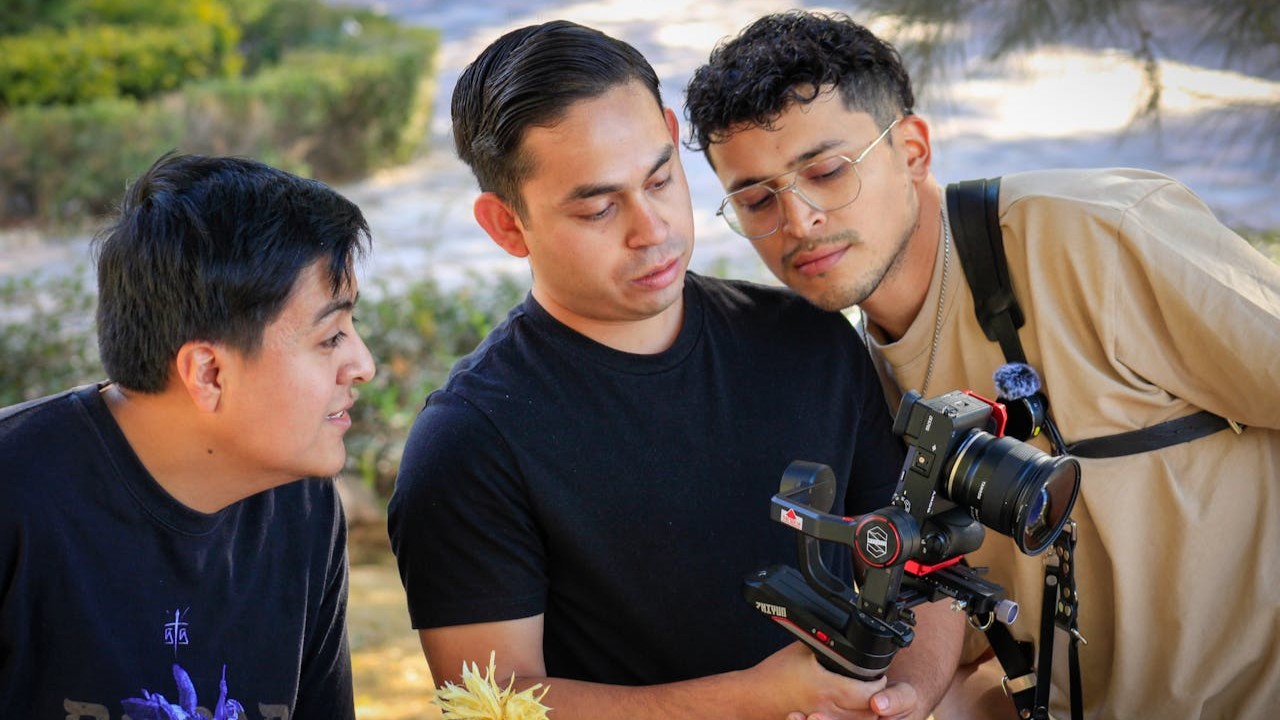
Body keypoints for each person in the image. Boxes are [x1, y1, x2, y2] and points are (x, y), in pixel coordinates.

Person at [684, 10, 1280, 720]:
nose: (798, 217)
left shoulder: (1092, 237)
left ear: (912, 149)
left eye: (826, 170)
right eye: (756, 198)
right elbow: (962, 620)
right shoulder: (839, 372)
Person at [387, 19, 965, 720]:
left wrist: (907, 697)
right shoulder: (469, 442)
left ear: (667, 131)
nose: (651, 228)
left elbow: (923, 567)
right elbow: (493, 702)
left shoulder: (811, 342)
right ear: (506, 225)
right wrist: (755, 700)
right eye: (599, 207)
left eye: (660, 178)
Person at [0, 153, 377, 718]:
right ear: (209, 373)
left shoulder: (303, 505)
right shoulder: (16, 498)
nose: (363, 365)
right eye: (330, 338)